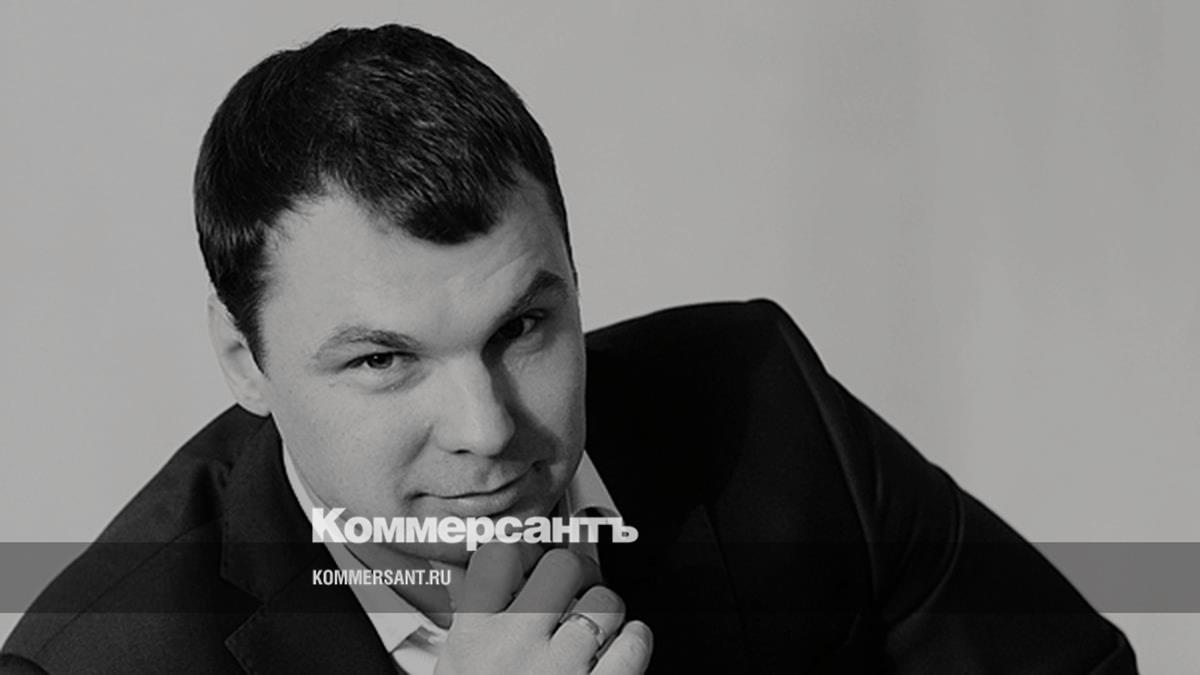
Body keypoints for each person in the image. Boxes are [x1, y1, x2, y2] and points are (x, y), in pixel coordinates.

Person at [1, 24, 1135, 674]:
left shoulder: (769, 415)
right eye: (382, 360)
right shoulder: (98, 661)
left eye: (521, 328)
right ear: (245, 361)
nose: (487, 430)